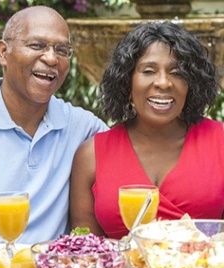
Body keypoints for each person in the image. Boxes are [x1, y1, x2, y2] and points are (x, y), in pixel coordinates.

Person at [70, 21, 224, 239]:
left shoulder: (220, 142)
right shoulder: (90, 156)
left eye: (177, 72)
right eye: (149, 71)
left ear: (191, 83)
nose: (163, 82)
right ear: (127, 81)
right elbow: (85, 249)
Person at [0, 6, 108, 244]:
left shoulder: (82, 127)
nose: (51, 58)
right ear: (3, 53)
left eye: (62, 50)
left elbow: (137, 150)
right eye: (37, 45)